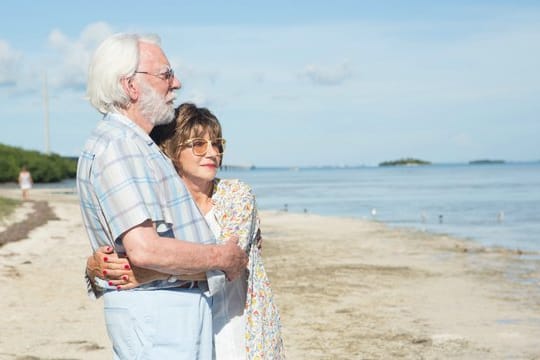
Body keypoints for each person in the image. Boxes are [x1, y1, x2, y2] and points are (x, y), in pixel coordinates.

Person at [78, 33, 248, 359]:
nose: (177, 83)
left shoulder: (135, 143)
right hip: (161, 314)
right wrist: (221, 257)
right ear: (130, 86)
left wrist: (94, 270)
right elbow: (144, 250)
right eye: (166, 74)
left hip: (167, 309)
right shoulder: (120, 145)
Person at [87, 103, 285, 359]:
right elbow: (130, 257)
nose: (212, 153)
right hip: (182, 328)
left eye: (217, 144)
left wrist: (147, 274)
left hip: (237, 325)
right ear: (171, 149)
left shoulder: (237, 195)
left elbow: (227, 264)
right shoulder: (159, 205)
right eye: (199, 144)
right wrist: (94, 266)